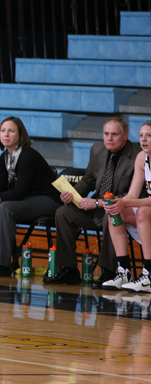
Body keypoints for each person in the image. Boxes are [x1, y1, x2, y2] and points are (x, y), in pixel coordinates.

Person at [47, 117, 140, 286]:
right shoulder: (97, 150)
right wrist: (72, 194)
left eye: (114, 134)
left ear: (125, 135)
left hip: (122, 208)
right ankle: (69, 269)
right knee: (64, 213)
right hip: (97, 206)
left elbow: (130, 195)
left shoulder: (137, 156)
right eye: (106, 134)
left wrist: (96, 203)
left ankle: (109, 272)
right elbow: (88, 181)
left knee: (110, 216)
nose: (109, 138)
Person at [0, 117, 62, 276]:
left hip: (48, 200)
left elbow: (18, 193)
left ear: (20, 135)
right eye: (3, 131)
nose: (6, 134)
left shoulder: (27, 155)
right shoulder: (4, 157)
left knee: (5, 207)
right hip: (26, 201)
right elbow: (1, 188)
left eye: (11, 131)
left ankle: (2, 263)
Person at [101, 120, 151, 292]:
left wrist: (126, 202)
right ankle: (124, 271)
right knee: (116, 212)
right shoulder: (141, 158)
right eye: (142, 135)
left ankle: (149, 273)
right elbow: (132, 195)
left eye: (149, 136)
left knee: (143, 212)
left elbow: (134, 200)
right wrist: (119, 203)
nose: (144, 139)